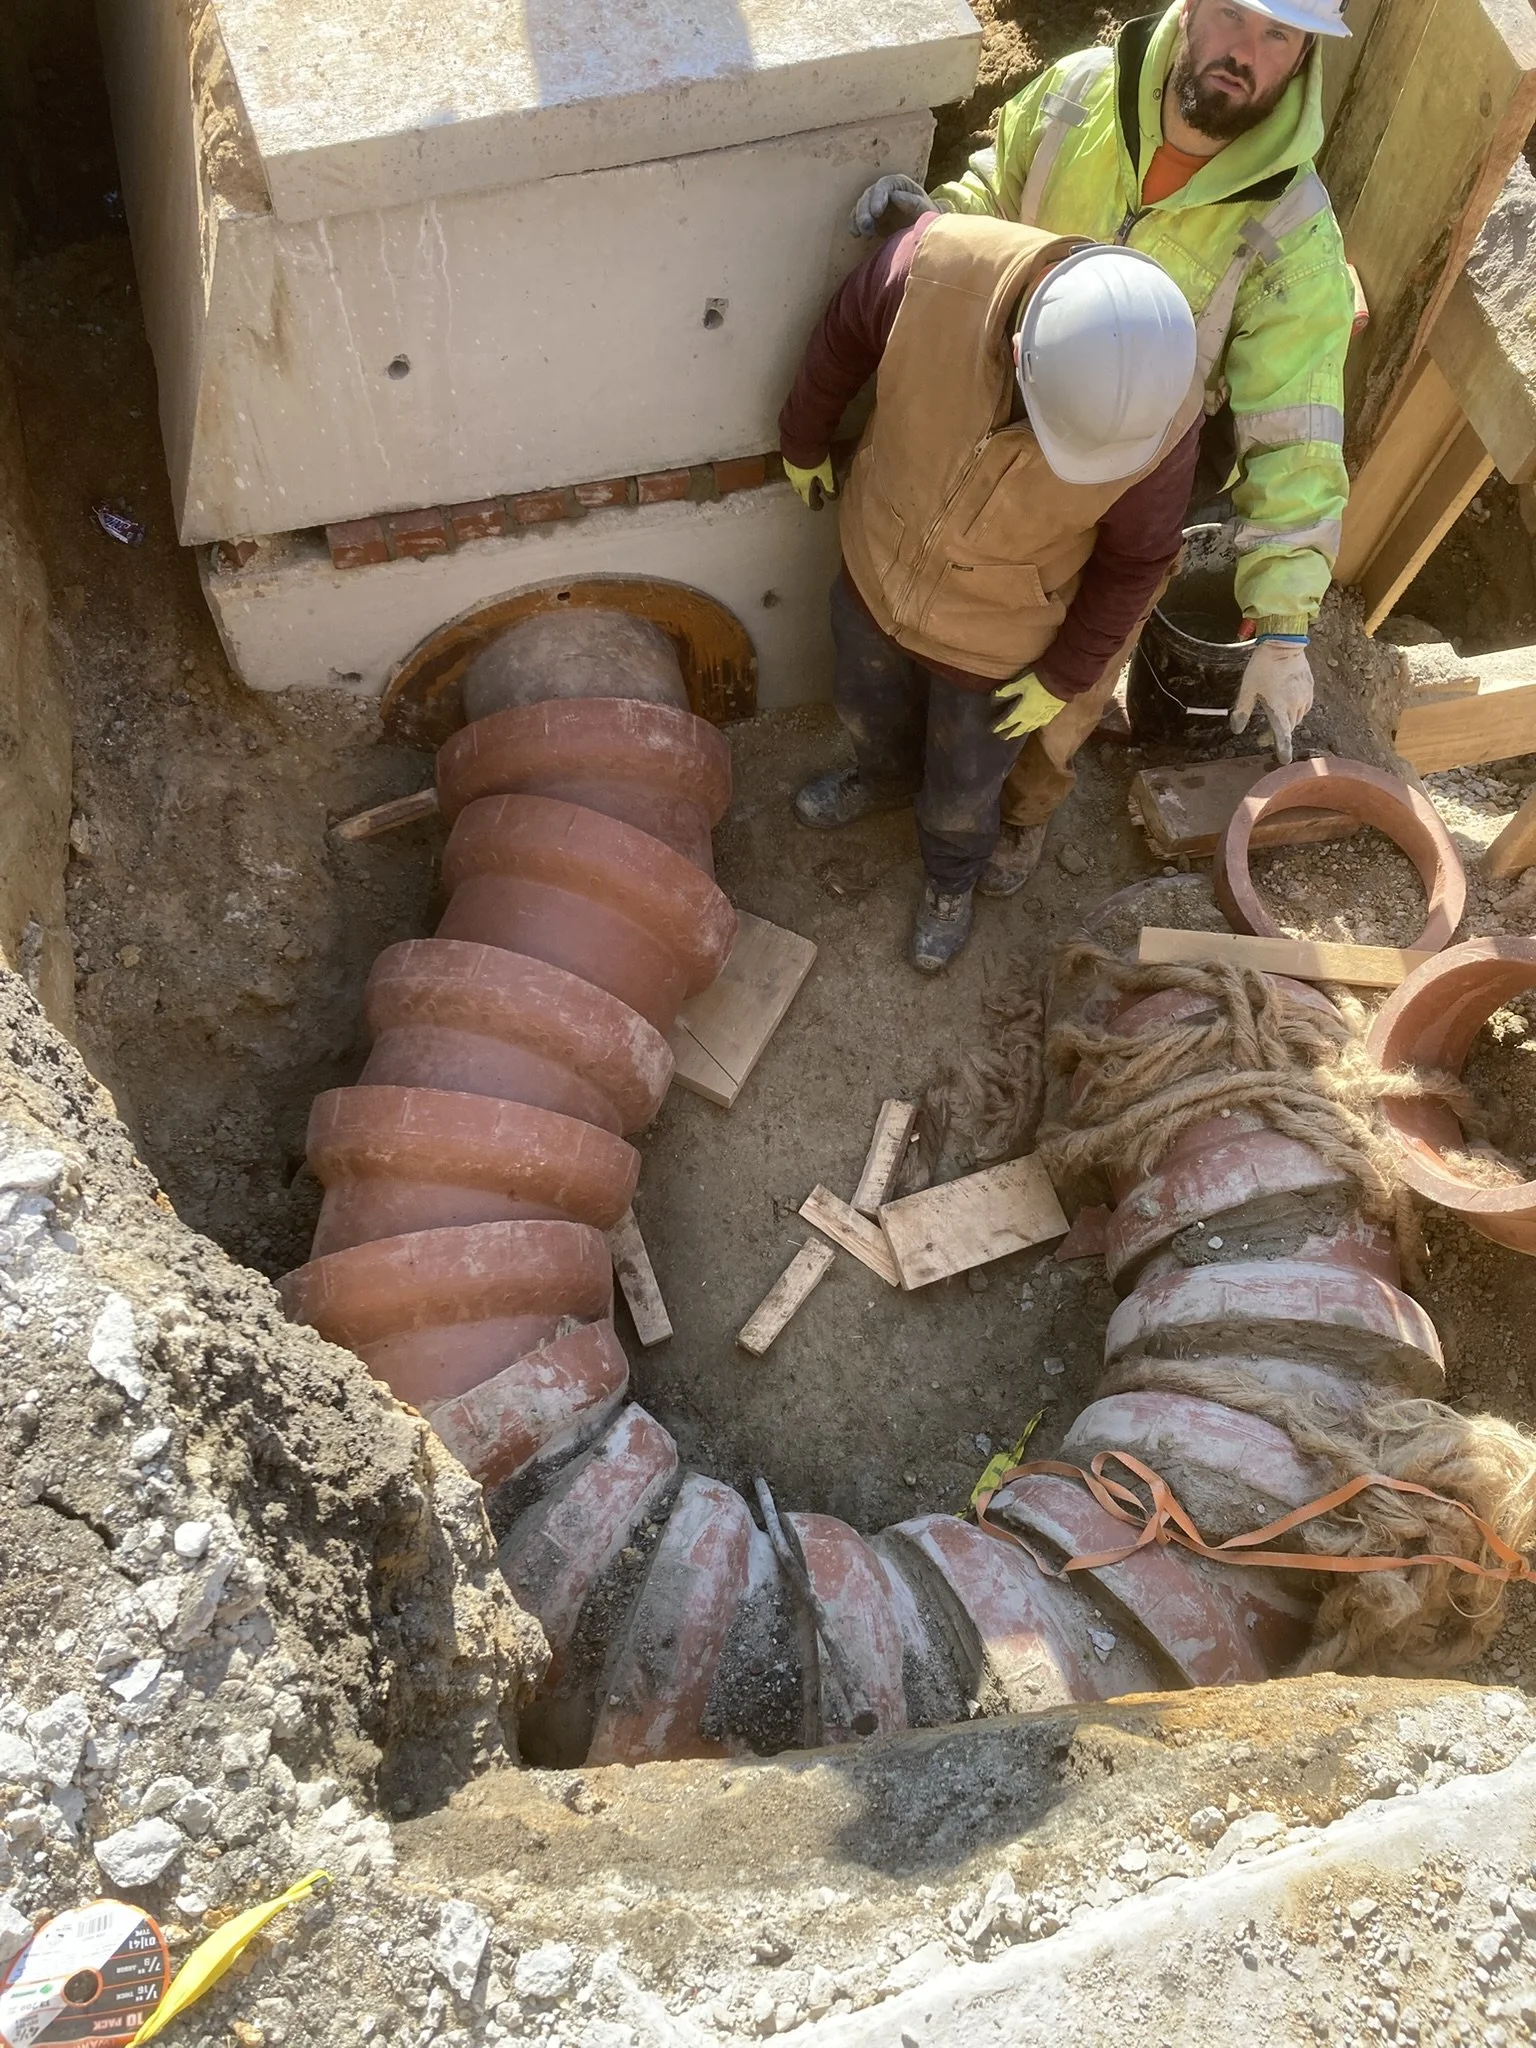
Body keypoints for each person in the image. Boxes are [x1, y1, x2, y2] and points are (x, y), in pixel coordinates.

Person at [851, 0, 1356, 887]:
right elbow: (993, 196)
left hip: (1126, 492)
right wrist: (935, 229)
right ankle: (898, 771)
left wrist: (1283, 627)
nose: (1246, 51)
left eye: (1278, 34)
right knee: (936, 608)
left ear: (1305, 52)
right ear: (1192, 8)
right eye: (1233, 15)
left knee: (1072, 687)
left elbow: (1297, 435)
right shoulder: (1080, 95)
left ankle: (1019, 814)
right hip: (992, 423)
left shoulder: (1291, 233)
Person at [778, 213, 1201, 972]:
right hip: (880, 564)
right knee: (864, 703)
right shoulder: (933, 267)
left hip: (998, 636)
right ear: (1017, 353)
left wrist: (1064, 677)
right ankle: (881, 778)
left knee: (964, 786)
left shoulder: (1157, 415)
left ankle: (951, 879)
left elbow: (1137, 562)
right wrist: (803, 437)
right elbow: (844, 334)